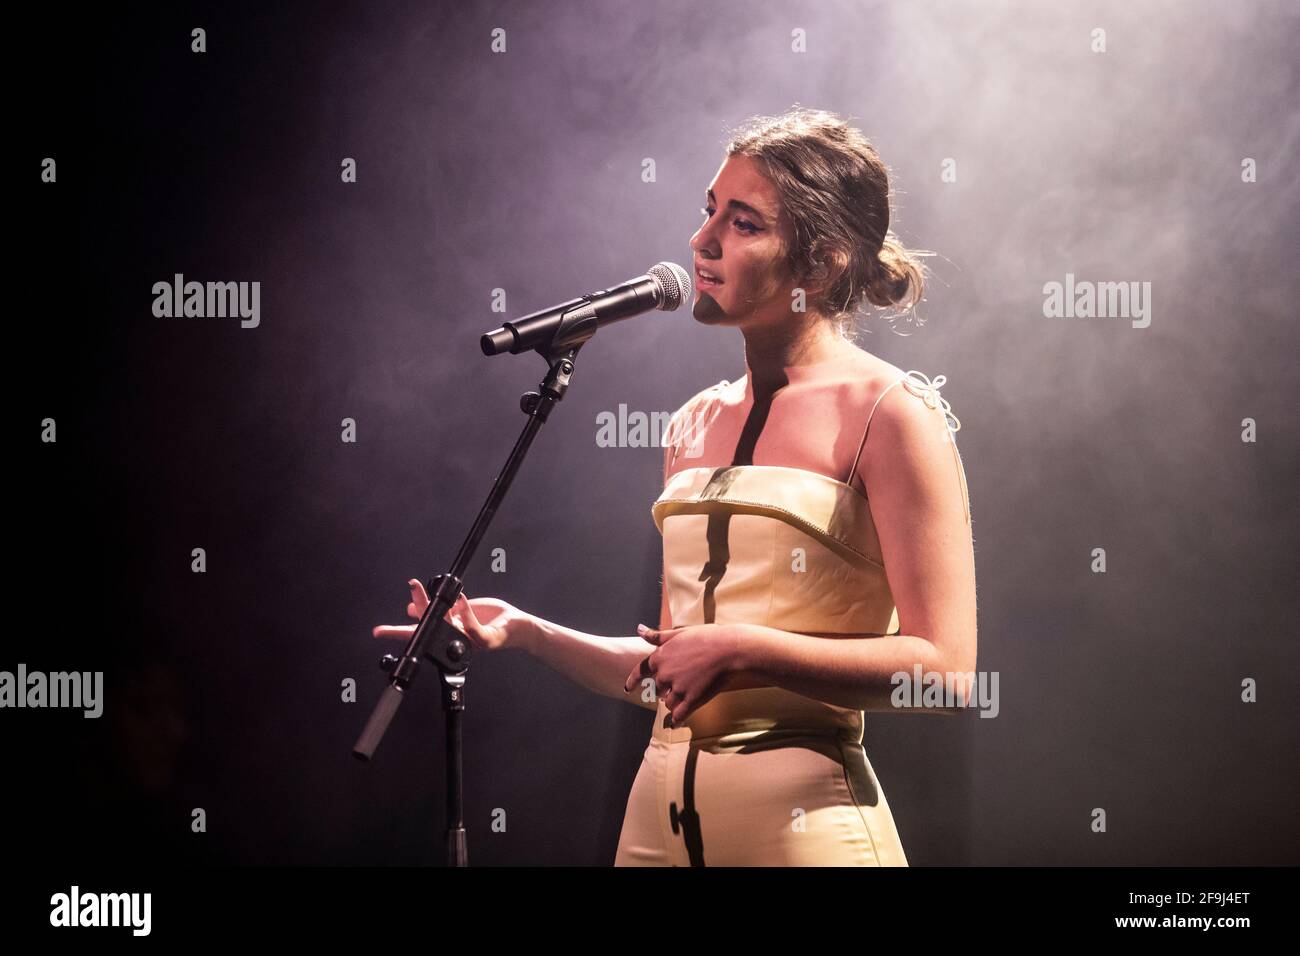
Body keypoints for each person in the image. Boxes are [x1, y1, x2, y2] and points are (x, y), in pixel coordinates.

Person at [373, 107, 976, 866]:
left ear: (819, 266)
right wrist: (524, 631)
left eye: (745, 222)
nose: (702, 241)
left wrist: (745, 648)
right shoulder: (693, 421)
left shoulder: (892, 414)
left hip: (803, 831)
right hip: (653, 825)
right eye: (708, 211)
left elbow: (948, 672)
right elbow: (664, 670)